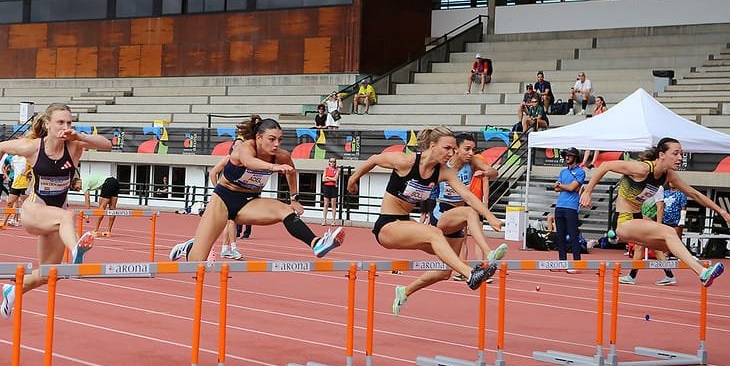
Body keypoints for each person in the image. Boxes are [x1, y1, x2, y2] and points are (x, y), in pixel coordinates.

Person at [346, 126, 504, 316]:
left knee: (446, 269)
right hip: (387, 225)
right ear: (432, 146)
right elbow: (374, 160)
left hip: (407, 223)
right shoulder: (406, 161)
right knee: (434, 233)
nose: (451, 153)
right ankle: (471, 273)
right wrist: (352, 180)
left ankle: (404, 291)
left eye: (454, 149)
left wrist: (489, 216)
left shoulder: (444, 172)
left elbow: (468, 197)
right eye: (447, 148)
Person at [0, 102, 112, 319]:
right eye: (60, 122)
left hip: (57, 217)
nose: (65, 126)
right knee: (67, 216)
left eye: (69, 122)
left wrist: (80, 136)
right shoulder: (33, 147)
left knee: (50, 273)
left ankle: (13, 291)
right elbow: (0, 147)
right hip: (34, 210)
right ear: (48, 124)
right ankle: (76, 250)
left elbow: (107, 145)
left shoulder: (75, 146)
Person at [169, 115, 345, 263]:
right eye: (272, 139)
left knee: (284, 210)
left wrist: (294, 198)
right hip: (223, 199)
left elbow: (292, 173)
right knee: (196, 262)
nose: (276, 144)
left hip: (249, 202)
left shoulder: (281, 156)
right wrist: (273, 168)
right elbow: (249, 162)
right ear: (258, 138)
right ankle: (190, 247)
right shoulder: (245, 147)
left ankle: (317, 243)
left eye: (279, 139)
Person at [580, 137, 730, 288]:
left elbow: (694, 193)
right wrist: (588, 192)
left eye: (682, 154)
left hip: (638, 218)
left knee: (667, 246)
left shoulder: (668, 175)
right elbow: (605, 165)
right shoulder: (641, 169)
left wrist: (722, 212)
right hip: (623, 220)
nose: (680, 158)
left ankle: (667, 274)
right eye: (676, 153)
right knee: (669, 232)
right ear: (661, 154)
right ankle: (703, 272)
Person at [425, 133, 504, 285]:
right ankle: (489, 254)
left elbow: (494, 172)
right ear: (456, 149)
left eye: (473, 149)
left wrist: (486, 173)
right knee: (470, 213)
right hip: (442, 213)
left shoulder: (472, 162)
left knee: (444, 272)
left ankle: (405, 291)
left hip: (458, 213)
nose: (471, 153)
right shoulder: (444, 164)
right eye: (467, 149)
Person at [618, 186, 677, 286]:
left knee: (639, 246)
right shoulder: (641, 185)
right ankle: (670, 275)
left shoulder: (658, 187)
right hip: (642, 220)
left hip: (650, 222)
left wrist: (658, 226)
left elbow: (660, 207)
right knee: (655, 250)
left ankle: (631, 276)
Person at [552, 147, 585, 273]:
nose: (566, 157)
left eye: (569, 155)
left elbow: (571, 188)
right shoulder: (563, 172)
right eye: (566, 155)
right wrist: (564, 187)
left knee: (573, 235)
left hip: (571, 207)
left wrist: (562, 186)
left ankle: (576, 263)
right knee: (560, 236)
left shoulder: (581, 172)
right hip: (560, 206)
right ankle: (562, 262)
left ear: (575, 157)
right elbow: (556, 188)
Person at [0, 154, 30, 228]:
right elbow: (4, 167)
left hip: (25, 184)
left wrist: (28, 172)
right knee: (9, 203)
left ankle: (28, 222)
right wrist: (7, 175)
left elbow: (34, 167)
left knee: (25, 205)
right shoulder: (12, 158)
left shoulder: (27, 157)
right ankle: (3, 222)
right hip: (15, 184)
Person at [581, 96, 608, 168]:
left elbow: (607, 119)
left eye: (598, 101)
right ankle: (584, 162)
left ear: (602, 102)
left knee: (596, 146)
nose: (596, 102)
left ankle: (593, 162)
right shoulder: (595, 109)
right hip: (596, 128)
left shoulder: (604, 108)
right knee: (589, 145)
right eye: (596, 101)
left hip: (601, 129)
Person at [322, 157, 339, 226]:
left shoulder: (337, 170)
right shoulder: (326, 169)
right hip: (326, 187)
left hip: (333, 188)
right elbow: (323, 179)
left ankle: (333, 221)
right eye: (331, 161)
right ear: (329, 162)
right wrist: (331, 178)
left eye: (334, 162)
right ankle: (324, 220)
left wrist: (328, 177)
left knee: (333, 205)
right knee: (326, 204)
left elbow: (336, 179)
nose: (332, 163)